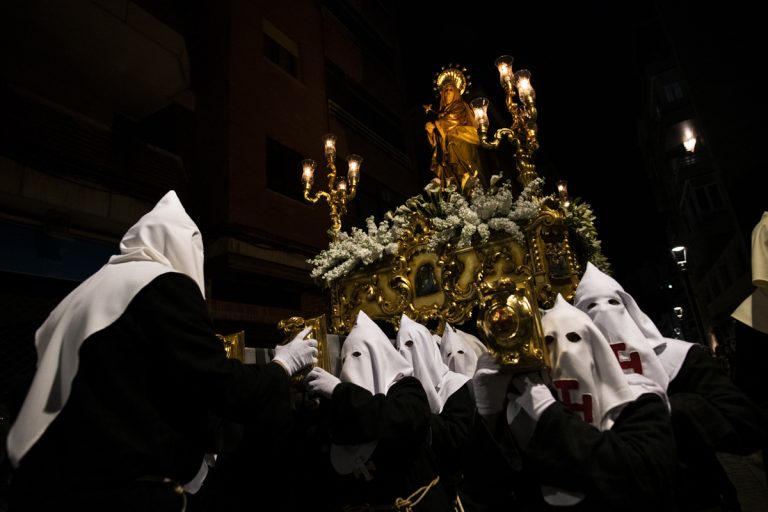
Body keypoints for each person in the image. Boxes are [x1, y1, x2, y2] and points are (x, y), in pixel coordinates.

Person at [5, 190, 318, 511]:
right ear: (185, 246)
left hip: (55, 481)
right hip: (125, 490)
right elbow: (215, 382)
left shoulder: (84, 292)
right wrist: (282, 365)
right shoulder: (162, 283)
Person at [574, 261, 768, 511]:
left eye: (614, 303)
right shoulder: (579, 376)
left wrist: (668, 411)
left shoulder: (682, 358)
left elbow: (747, 424)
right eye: (590, 307)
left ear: (631, 309)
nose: (604, 312)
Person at [471, 295, 677, 511]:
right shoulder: (526, 409)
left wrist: (548, 413)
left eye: (574, 337)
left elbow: (637, 478)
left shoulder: (639, 403)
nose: (566, 351)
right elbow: (487, 489)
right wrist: (489, 413)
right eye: (549, 340)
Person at [303, 310, 452, 511]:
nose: (351, 365)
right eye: (346, 359)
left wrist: (340, 391)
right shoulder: (345, 406)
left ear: (379, 356)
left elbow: (395, 419)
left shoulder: (407, 390)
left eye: (358, 355)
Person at [395, 314, 475, 510]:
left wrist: (416, 418)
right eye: (400, 348)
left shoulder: (454, 385)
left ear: (427, 347)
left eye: (411, 344)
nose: (406, 353)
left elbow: (458, 437)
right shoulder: (398, 391)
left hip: (453, 488)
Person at [424, 67, 484, 191]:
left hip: (462, 140)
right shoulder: (442, 113)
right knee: (452, 179)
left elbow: (454, 119)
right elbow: (437, 143)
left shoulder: (460, 105)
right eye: (445, 90)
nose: (447, 93)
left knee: (465, 170)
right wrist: (431, 133)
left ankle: (469, 184)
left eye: (450, 90)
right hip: (447, 150)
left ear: (456, 92)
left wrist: (436, 124)